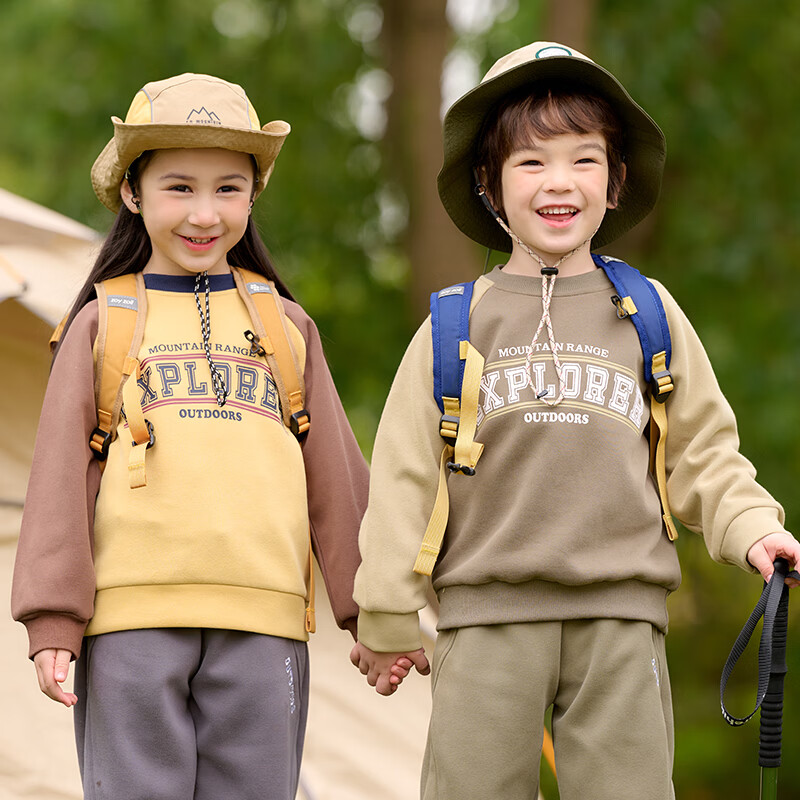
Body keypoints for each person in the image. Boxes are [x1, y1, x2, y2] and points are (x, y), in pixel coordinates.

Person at [349, 42, 800, 799]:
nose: (558, 182)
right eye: (530, 163)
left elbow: (704, 454)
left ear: (616, 181)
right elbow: (403, 475)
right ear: (489, 186)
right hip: (486, 621)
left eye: (583, 160)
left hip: (620, 619)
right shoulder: (456, 324)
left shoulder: (649, 313)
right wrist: (387, 613)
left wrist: (753, 526)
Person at [11, 73, 368, 800]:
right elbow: (57, 482)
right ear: (134, 194)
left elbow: (336, 480)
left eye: (228, 189)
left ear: (253, 195)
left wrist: (371, 613)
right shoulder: (100, 324)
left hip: (265, 625)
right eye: (179, 187)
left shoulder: (286, 327)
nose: (205, 213)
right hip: (129, 628)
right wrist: (54, 620)